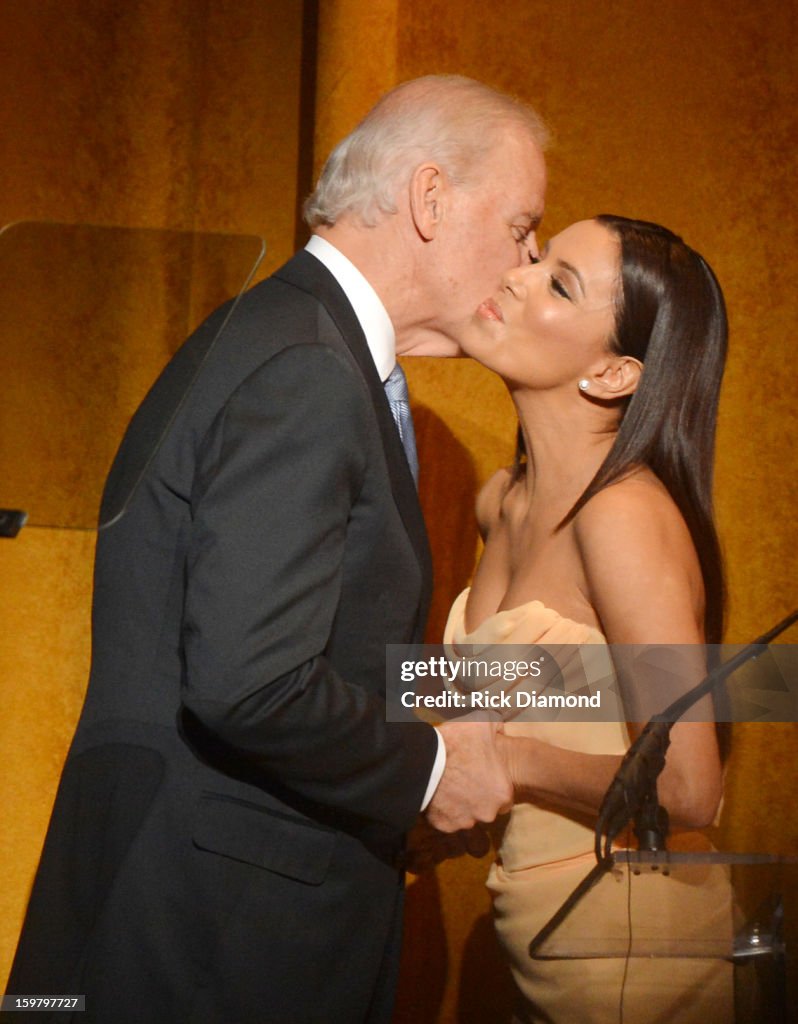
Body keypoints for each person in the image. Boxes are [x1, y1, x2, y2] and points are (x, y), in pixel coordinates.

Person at [6, 76, 547, 1023]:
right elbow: (250, 680)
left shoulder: (285, 337)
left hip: (200, 916)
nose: (526, 260)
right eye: (522, 227)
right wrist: (427, 771)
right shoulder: (308, 369)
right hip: (215, 943)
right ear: (429, 199)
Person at [442, 215, 733, 1022]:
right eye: (535, 258)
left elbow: (688, 788)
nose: (515, 275)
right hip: (543, 951)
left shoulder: (624, 517)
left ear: (613, 373)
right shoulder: (501, 501)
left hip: (638, 957)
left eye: (558, 283)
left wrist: (510, 762)